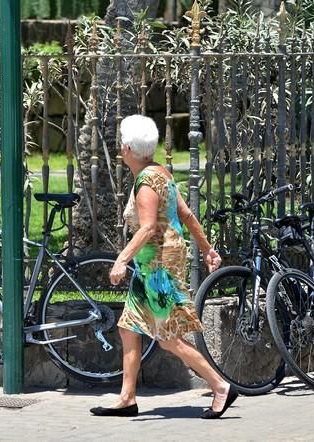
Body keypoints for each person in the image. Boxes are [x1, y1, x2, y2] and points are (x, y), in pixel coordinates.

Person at [90, 115, 237, 419]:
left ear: (127, 148)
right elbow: (186, 215)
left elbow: (145, 230)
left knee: (169, 338)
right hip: (152, 266)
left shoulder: (146, 183)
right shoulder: (162, 173)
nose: (120, 147)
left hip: (157, 269)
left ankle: (220, 386)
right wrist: (207, 249)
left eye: (121, 143)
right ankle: (127, 398)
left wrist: (121, 260)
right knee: (128, 327)